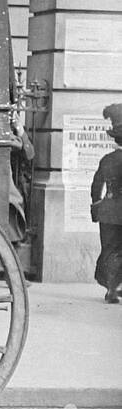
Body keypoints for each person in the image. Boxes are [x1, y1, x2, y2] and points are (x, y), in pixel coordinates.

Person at [91, 103, 122, 304]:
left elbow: (96, 185)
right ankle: (115, 287)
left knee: (109, 249)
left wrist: (96, 205)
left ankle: (111, 288)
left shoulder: (107, 159)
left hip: (108, 210)